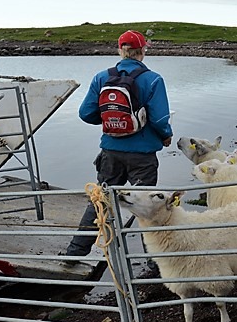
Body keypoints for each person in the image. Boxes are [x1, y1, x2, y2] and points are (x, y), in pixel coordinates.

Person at [65, 30, 173, 256]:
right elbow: (160, 119)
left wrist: (109, 121)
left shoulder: (101, 77)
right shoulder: (153, 79)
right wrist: (165, 136)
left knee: (100, 201)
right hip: (142, 155)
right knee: (147, 206)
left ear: (120, 50)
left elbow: (86, 114)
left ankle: (75, 252)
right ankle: (153, 260)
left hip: (110, 152)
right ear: (142, 51)